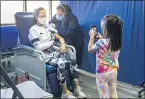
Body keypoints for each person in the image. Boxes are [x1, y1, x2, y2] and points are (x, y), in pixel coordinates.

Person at [28, 7, 86, 98]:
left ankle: (76, 87)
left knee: (72, 61)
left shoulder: (48, 27)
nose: (44, 18)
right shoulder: (33, 30)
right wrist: (51, 42)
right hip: (42, 54)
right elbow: (38, 47)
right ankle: (65, 92)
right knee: (61, 63)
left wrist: (62, 43)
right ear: (36, 17)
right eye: (41, 16)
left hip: (53, 51)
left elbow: (58, 36)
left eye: (45, 15)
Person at [88, 14, 123, 98]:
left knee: (104, 95)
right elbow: (108, 45)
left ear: (106, 30)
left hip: (102, 73)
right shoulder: (118, 42)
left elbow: (90, 49)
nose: (102, 29)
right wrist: (102, 38)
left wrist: (92, 37)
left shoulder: (101, 43)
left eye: (103, 28)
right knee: (113, 92)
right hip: (113, 71)